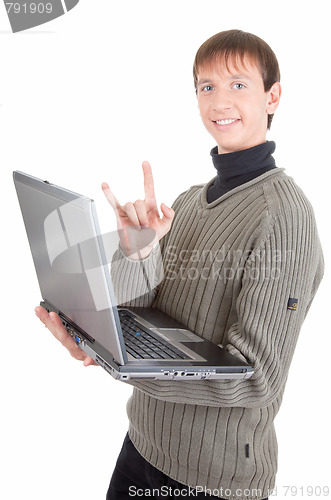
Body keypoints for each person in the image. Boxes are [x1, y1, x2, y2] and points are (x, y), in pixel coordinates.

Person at [35, 29, 324, 500]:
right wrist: (137, 254)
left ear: (272, 96)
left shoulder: (284, 217)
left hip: (214, 479)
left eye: (237, 84)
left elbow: (255, 377)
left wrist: (124, 365)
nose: (218, 100)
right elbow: (142, 309)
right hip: (142, 447)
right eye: (206, 86)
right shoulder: (187, 203)